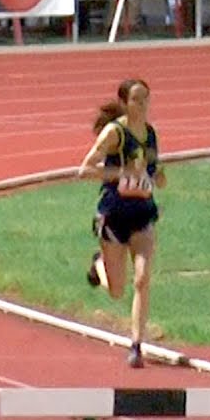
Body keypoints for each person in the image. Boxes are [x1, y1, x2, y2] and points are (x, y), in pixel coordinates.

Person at [77, 78, 165, 369]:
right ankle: (98, 265)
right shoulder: (115, 133)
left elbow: (153, 169)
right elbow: (85, 169)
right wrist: (120, 172)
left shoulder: (151, 134)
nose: (143, 105)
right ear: (126, 102)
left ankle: (137, 345)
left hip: (142, 214)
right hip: (114, 215)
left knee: (142, 279)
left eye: (146, 99)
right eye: (137, 99)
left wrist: (157, 178)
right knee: (116, 291)